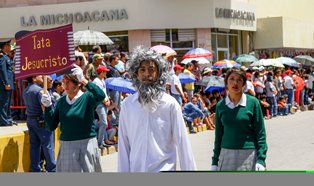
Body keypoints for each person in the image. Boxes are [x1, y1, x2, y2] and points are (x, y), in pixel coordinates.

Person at [117, 46, 196, 172]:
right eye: (142, 69)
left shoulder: (170, 104)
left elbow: (182, 144)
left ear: (159, 73)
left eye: (151, 69)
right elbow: (123, 146)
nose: (147, 74)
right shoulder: (127, 105)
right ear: (136, 74)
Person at [41, 64, 106, 172]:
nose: (65, 85)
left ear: (78, 83)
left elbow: (100, 95)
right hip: (67, 145)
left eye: (68, 82)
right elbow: (51, 125)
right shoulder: (61, 101)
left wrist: (84, 79)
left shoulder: (87, 97)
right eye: (63, 81)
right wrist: (47, 108)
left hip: (87, 144)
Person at [211, 68, 268, 171]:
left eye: (239, 80)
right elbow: (218, 136)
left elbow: (261, 133)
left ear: (244, 84)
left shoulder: (253, 103)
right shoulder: (220, 106)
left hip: (249, 155)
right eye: (231, 79)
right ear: (226, 83)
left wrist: (261, 159)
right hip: (226, 155)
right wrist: (215, 162)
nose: (235, 83)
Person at [23, 75, 56, 172]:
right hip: (41, 120)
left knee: (34, 146)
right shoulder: (39, 91)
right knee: (48, 145)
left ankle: (35, 168)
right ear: (33, 78)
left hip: (30, 119)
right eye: (39, 76)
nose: (42, 77)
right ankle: (52, 168)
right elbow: (44, 107)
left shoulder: (26, 90)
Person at [0, 39, 17, 126]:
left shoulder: (6, 57)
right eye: (8, 45)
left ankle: (8, 119)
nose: (10, 47)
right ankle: (3, 120)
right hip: (5, 85)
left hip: (9, 83)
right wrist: (6, 83)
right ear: (5, 46)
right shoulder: (3, 58)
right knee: (4, 103)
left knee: (8, 102)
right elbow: (3, 71)